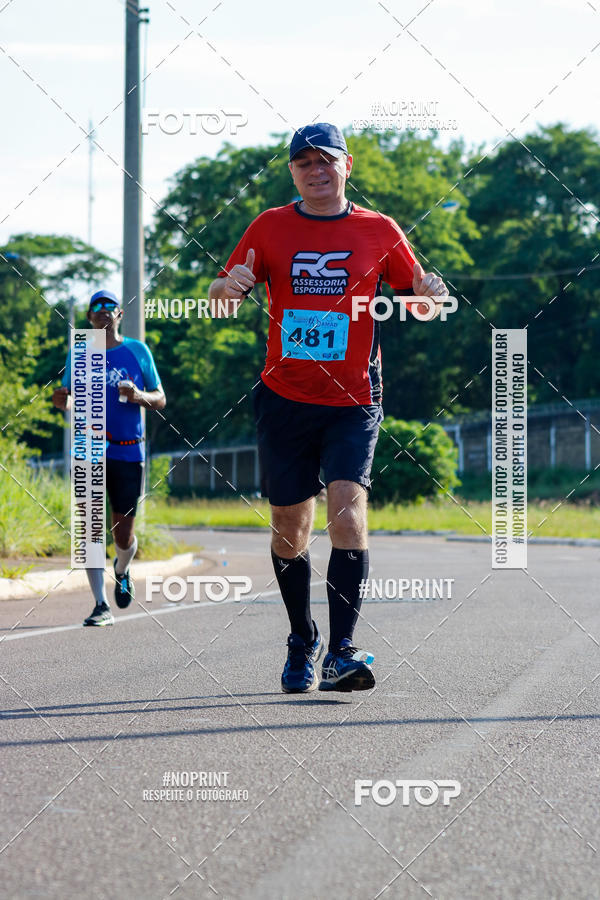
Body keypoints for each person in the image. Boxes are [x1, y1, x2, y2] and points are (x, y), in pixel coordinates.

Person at [208, 123, 449, 693]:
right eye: (303, 164)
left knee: (346, 509)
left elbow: (417, 302)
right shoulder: (269, 226)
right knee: (290, 526)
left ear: (348, 166)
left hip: (354, 398)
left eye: (326, 161)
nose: (315, 171)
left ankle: (342, 651)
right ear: (293, 172)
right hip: (285, 396)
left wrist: (431, 301)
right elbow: (220, 301)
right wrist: (230, 287)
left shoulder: (378, 229)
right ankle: (302, 638)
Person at [52, 290, 166, 626]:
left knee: (122, 534)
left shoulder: (137, 350)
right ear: (89, 318)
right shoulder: (81, 352)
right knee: (89, 528)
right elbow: (70, 398)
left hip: (128, 449)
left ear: (119, 315)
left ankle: (122, 567)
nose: (102, 312)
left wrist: (138, 395)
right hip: (88, 447)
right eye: (96, 308)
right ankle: (101, 605)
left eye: (109, 307)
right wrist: (63, 403)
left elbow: (160, 398)